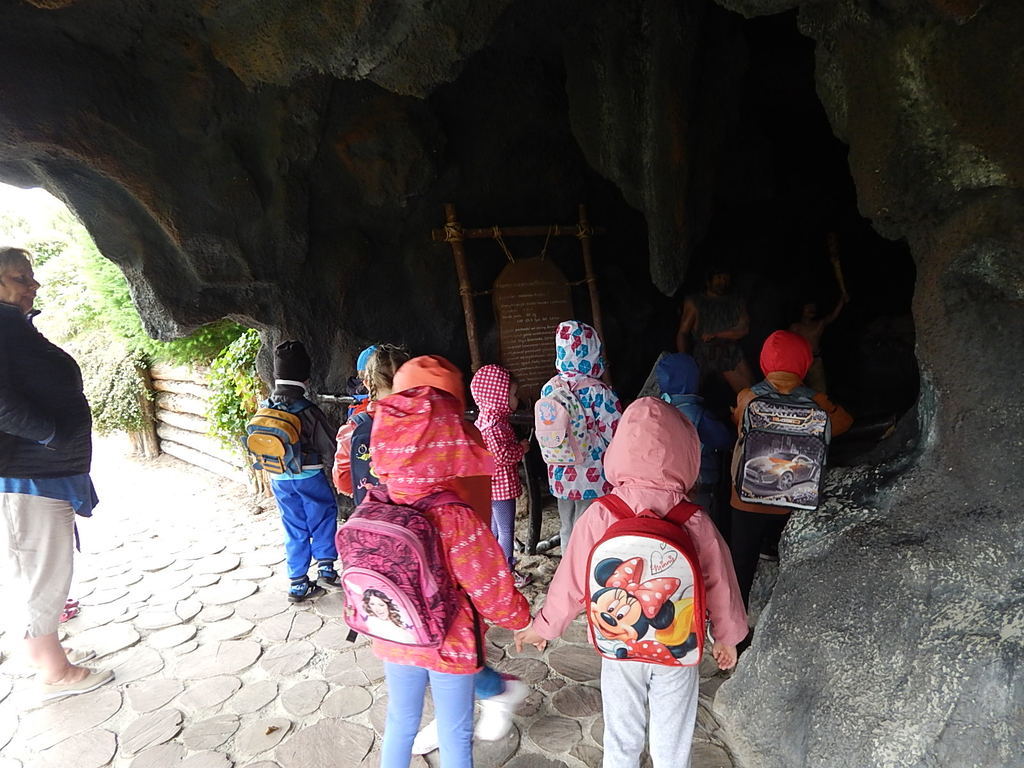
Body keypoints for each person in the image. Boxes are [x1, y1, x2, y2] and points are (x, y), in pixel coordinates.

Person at [514, 397, 747, 768]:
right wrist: (727, 636)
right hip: (677, 646)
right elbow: (721, 582)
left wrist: (545, 626)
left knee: (621, 731)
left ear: (619, 449)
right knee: (673, 734)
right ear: (688, 453)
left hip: (619, 644)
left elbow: (572, 579)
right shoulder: (694, 519)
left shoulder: (602, 513)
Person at [369, 385, 531, 768]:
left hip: (395, 634)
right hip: (449, 643)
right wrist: (523, 620)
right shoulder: (454, 517)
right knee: (455, 732)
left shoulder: (376, 502)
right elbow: (490, 587)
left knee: (400, 723)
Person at [0, 246, 112, 700]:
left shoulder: (12, 326)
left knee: (41, 564)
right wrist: (50, 435)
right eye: (20, 278)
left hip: (40, 472)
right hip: (28, 473)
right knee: (42, 568)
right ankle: (54, 672)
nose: (34, 285)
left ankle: (46, 653)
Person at [729, 330, 853, 608]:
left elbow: (739, 427)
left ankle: (736, 621)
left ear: (764, 362)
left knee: (741, 563)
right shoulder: (818, 402)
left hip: (747, 500)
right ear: (804, 363)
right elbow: (844, 423)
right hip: (794, 501)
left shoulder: (747, 397)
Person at [266, 341, 341, 603]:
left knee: (293, 525)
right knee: (322, 517)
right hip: (309, 476)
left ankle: (298, 583)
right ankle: (326, 569)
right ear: (306, 379)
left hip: (279, 478)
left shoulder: (265, 407)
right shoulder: (308, 410)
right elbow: (329, 447)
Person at [540, 321, 622, 550]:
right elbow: (614, 430)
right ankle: (582, 561)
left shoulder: (549, 388)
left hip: (559, 466)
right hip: (590, 469)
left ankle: (567, 559)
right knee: (585, 521)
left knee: (566, 522)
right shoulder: (597, 390)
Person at [469, 364, 532, 587]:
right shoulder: (495, 426)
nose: (516, 399)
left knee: (495, 530)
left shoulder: (485, 420)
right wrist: (521, 448)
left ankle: (493, 569)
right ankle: (507, 573)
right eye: (512, 394)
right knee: (506, 531)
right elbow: (501, 456)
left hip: (490, 485)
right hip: (501, 487)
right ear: (498, 396)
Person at [656, 353, 733, 523]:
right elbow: (724, 440)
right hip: (698, 488)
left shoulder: (656, 410)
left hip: (665, 486)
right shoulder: (699, 415)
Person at [333, 344, 410, 505]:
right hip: (414, 508)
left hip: (374, 510)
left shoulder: (353, 428)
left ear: (367, 383)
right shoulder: (420, 420)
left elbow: (343, 481)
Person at [675, 267, 753, 393]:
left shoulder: (737, 301)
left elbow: (743, 329)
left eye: (725, 278)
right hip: (703, 353)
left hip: (729, 352)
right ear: (709, 281)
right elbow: (683, 333)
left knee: (750, 390)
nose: (723, 282)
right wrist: (684, 359)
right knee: (687, 389)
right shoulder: (695, 302)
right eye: (719, 278)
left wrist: (717, 334)